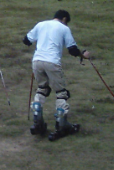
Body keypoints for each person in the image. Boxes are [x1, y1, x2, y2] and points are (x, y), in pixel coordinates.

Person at [24, 10, 90, 141]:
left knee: (42, 89)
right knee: (61, 93)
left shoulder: (41, 24)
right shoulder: (64, 28)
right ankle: (62, 125)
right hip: (52, 62)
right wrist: (83, 56)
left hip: (36, 61)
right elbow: (72, 50)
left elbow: (26, 40)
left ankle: (37, 121)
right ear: (64, 18)